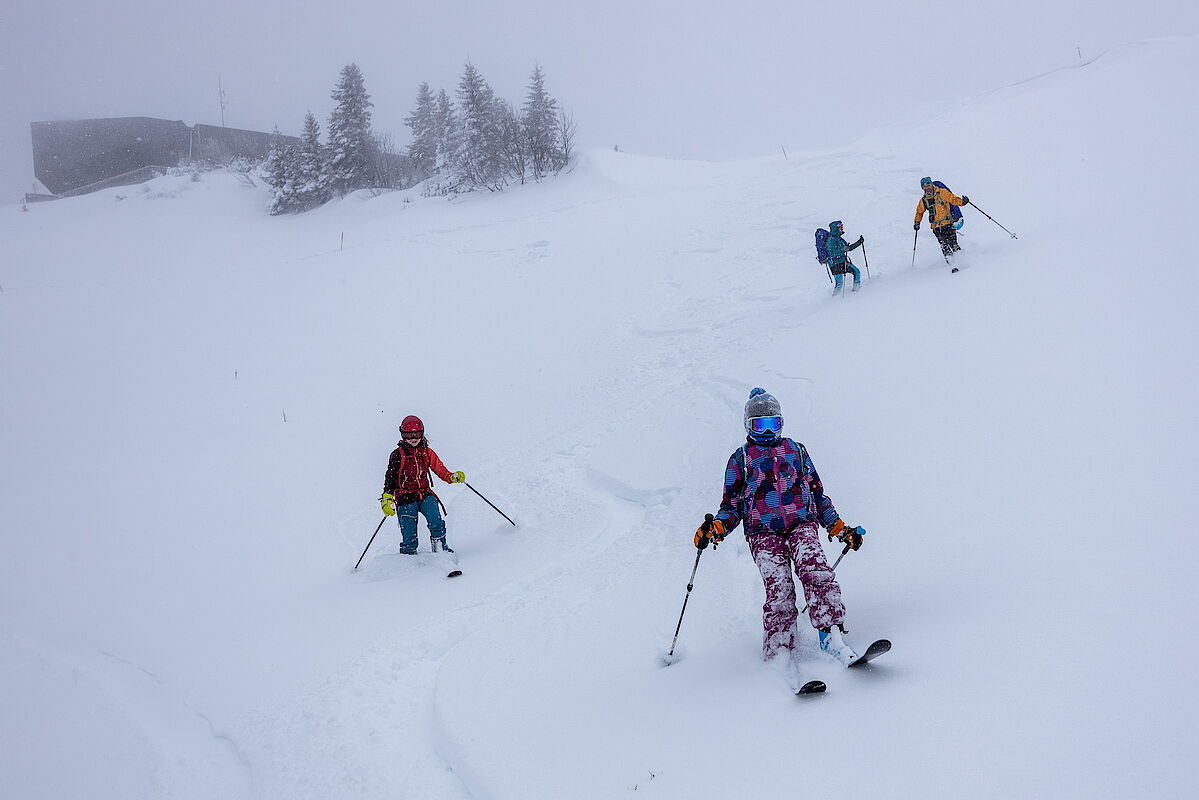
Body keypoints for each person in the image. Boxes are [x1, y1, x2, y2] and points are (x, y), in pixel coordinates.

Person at [694, 388, 866, 663]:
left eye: (772, 423)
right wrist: (715, 529)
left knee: (816, 571)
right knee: (780, 588)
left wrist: (839, 528)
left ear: (781, 423)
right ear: (748, 426)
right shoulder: (741, 460)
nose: (766, 431)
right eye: (759, 425)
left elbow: (817, 494)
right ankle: (779, 654)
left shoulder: (796, 451)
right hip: (763, 533)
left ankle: (831, 636)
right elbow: (731, 506)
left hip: (802, 524)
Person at [380, 415, 465, 554]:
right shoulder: (397, 455)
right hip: (405, 498)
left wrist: (451, 477)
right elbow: (390, 478)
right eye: (409, 434)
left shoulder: (426, 452)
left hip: (425, 494)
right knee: (409, 533)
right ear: (402, 435)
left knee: (436, 522)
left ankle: (440, 551)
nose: (414, 438)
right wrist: (387, 497)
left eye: (417, 433)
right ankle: (409, 559)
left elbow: (440, 469)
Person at [914, 177, 969, 264]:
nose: (927, 187)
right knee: (944, 246)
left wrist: (963, 202)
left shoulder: (942, 193)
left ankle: (961, 262)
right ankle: (951, 264)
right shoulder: (924, 200)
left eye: (928, 184)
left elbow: (953, 200)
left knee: (953, 243)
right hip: (936, 228)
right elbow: (919, 212)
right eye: (924, 186)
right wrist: (917, 222)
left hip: (948, 224)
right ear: (922, 188)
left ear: (931, 184)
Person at [824, 220, 864, 295]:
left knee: (856, 272)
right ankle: (834, 299)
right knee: (839, 283)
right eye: (840, 228)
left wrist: (859, 242)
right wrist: (842, 250)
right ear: (836, 229)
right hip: (835, 264)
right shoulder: (831, 240)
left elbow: (849, 248)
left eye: (842, 227)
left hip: (843, 262)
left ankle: (857, 291)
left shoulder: (840, 239)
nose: (842, 229)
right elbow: (831, 253)